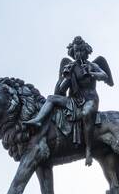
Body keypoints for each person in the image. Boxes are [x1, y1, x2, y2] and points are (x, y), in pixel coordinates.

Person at [25, 37, 112, 166]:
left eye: (81, 51)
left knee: (87, 113)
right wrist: (66, 77)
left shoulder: (92, 65)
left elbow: (105, 76)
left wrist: (92, 73)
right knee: (51, 99)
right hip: (73, 100)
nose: (78, 54)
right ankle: (38, 120)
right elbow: (59, 91)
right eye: (76, 51)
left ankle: (88, 150)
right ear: (73, 52)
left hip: (89, 99)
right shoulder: (69, 66)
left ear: (86, 52)